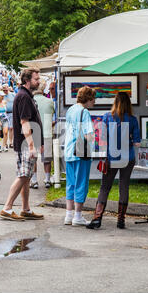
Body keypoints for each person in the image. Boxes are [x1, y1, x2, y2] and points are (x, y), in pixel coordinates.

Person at [86, 92, 141, 230]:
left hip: (111, 157)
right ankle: (121, 220)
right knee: (124, 186)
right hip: (127, 158)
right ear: (128, 103)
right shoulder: (133, 119)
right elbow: (137, 143)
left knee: (105, 187)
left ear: (115, 102)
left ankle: (97, 218)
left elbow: (102, 138)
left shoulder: (107, 117)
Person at [0, 68, 44, 221]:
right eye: (36, 79)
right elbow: (24, 122)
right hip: (26, 144)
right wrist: (31, 145)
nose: (38, 82)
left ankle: (25, 209)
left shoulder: (26, 95)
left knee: (26, 176)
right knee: (23, 175)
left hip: (27, 143)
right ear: (27, 80)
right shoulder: (24, 97)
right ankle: (7, 207)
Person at [63, 86, 96, 226]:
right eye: (93, 99)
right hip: (81, 153)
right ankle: (78, 216)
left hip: (69, 150)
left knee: (71, 183)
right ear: (88, 99)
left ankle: (68, 215)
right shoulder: (85, 112)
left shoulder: (71, 109)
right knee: (81, 183)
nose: (94, 102)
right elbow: (88, 136)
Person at [31, 80, 55, 189]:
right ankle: (47, 179)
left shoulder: (30, 101)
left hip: (34, 132)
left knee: (33, 158)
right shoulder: (49, 102)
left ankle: (35, 180)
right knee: (47, 159)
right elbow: (52, 114)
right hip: (47, 132)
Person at [3, 84, 15, 149]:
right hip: (5, 114)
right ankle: (5, 143)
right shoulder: (2, 96)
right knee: (5, 129)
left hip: (12, 113)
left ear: (8, 88)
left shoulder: (13, 94)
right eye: (4, 90)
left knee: (11, 128)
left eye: (6, 90)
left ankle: (11, 142)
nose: (5, 91)